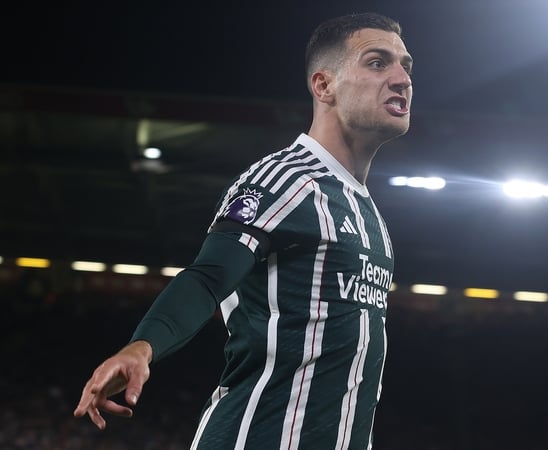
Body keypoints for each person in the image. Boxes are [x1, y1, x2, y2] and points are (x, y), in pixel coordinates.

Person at [74, 12, 413, 449]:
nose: (402, 79)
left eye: (406, 66)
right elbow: (208, 276)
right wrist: (142, 346)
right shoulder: (284, 180)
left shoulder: (369, 215)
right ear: (323, 85)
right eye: (378, 63)